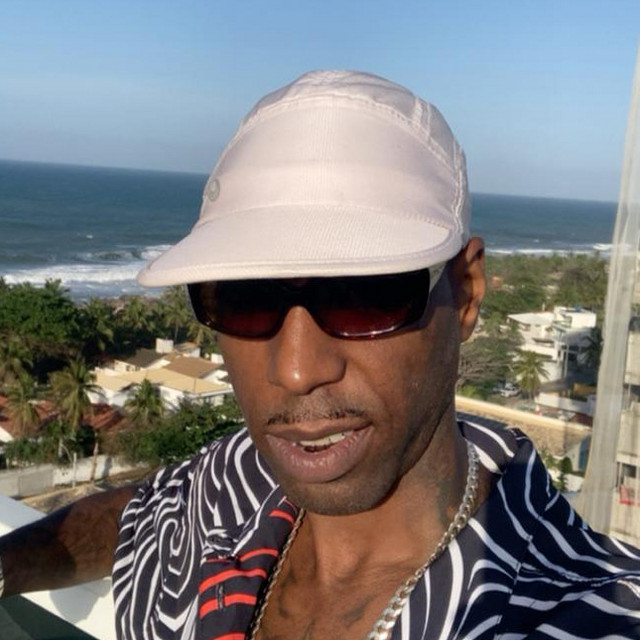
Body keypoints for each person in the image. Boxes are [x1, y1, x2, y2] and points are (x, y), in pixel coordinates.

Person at [1, 70, 640, 640]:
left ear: (466, 293)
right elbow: (140, 514)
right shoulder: (242, 479)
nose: (297, 370)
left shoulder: (585, 613)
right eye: (246, 298)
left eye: (366, 295)